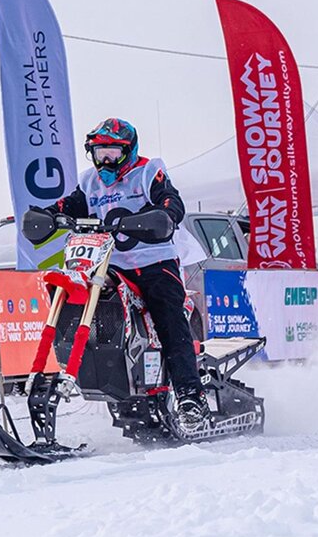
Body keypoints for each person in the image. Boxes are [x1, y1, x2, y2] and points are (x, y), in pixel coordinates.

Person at [45, 117, 209, 428]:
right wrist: (49, 216)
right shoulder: (90, 182)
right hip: (111, 265)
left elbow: (171, 202)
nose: (104, 161)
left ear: (128, 152)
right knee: (76, 301)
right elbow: (70, 204)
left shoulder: (148, 173)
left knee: (169, 319)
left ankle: (190, 395)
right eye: (99, 153)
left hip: (154, 263)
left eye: (112, 153)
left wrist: (163, 215)